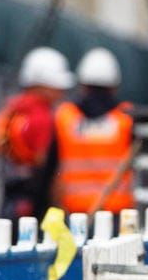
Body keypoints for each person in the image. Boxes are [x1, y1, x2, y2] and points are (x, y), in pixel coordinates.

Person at [0, 46, 73, 221]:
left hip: (11, 198)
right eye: (57, 86)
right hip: (37, 204)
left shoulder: (12, 109)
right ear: (41, 85)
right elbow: (43, 162)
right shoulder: (41, 116)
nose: (62, 92)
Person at [53, 47, 135, 215]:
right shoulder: (126, 118)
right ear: (114, 86)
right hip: (116, 211)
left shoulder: (65, 117)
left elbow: (51, 167)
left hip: (76, 213)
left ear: (83, 85)